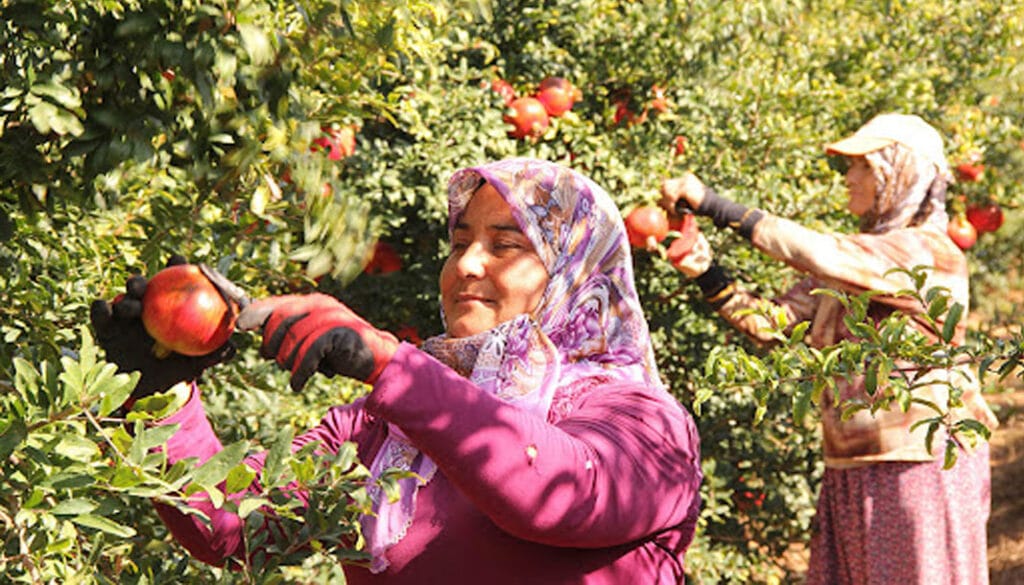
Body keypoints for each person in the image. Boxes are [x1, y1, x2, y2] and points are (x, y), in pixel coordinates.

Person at [91, 158, 703, 584]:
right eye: (459, 241)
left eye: (505, 245)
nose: (466, 265)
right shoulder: (379, 429)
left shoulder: (644, 420)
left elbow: (564, 492)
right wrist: (158, 394)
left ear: (576, 274)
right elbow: (232, 528)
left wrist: (392, 366)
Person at [657, 113, 998, 584]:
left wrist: (713, 204)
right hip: (850, 463)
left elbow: (819, 252)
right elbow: (769, 324)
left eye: (861, 167)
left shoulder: (928, 253)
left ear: (897, 173)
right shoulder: (855, 265)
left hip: (918, 462)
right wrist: (705, 273)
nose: (849, 179)